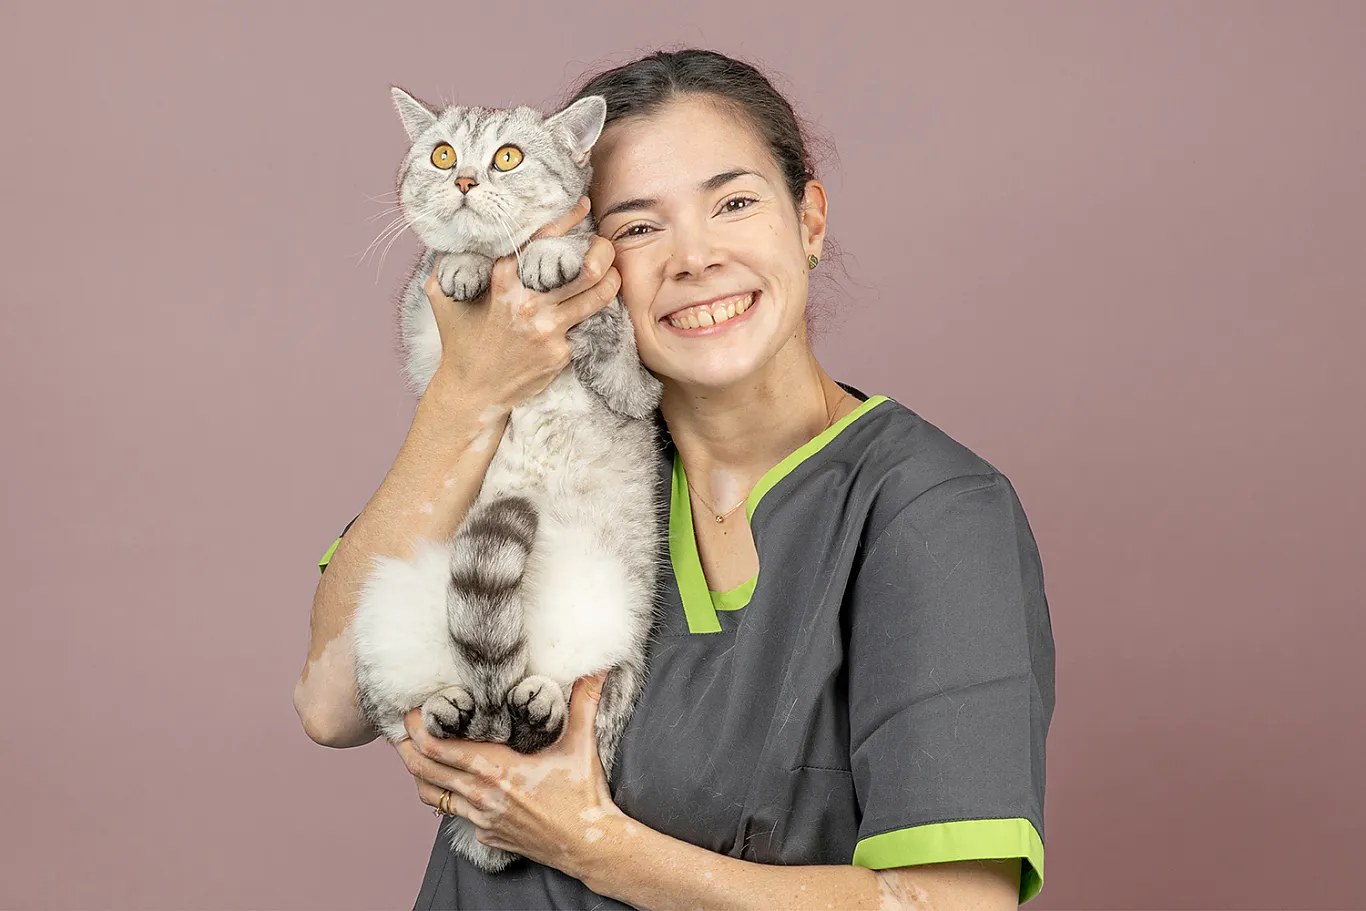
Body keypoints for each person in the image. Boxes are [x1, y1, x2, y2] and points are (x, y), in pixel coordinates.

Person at [296, 49, 1056, 911]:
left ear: (808, 219)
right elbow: (330, 701)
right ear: (584, 252)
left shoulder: (930, 512)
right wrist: (467, 393)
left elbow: (958, 905)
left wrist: (595, 847)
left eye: (734, 203)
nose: (694, 258)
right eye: (638, 227)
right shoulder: (554, 437)